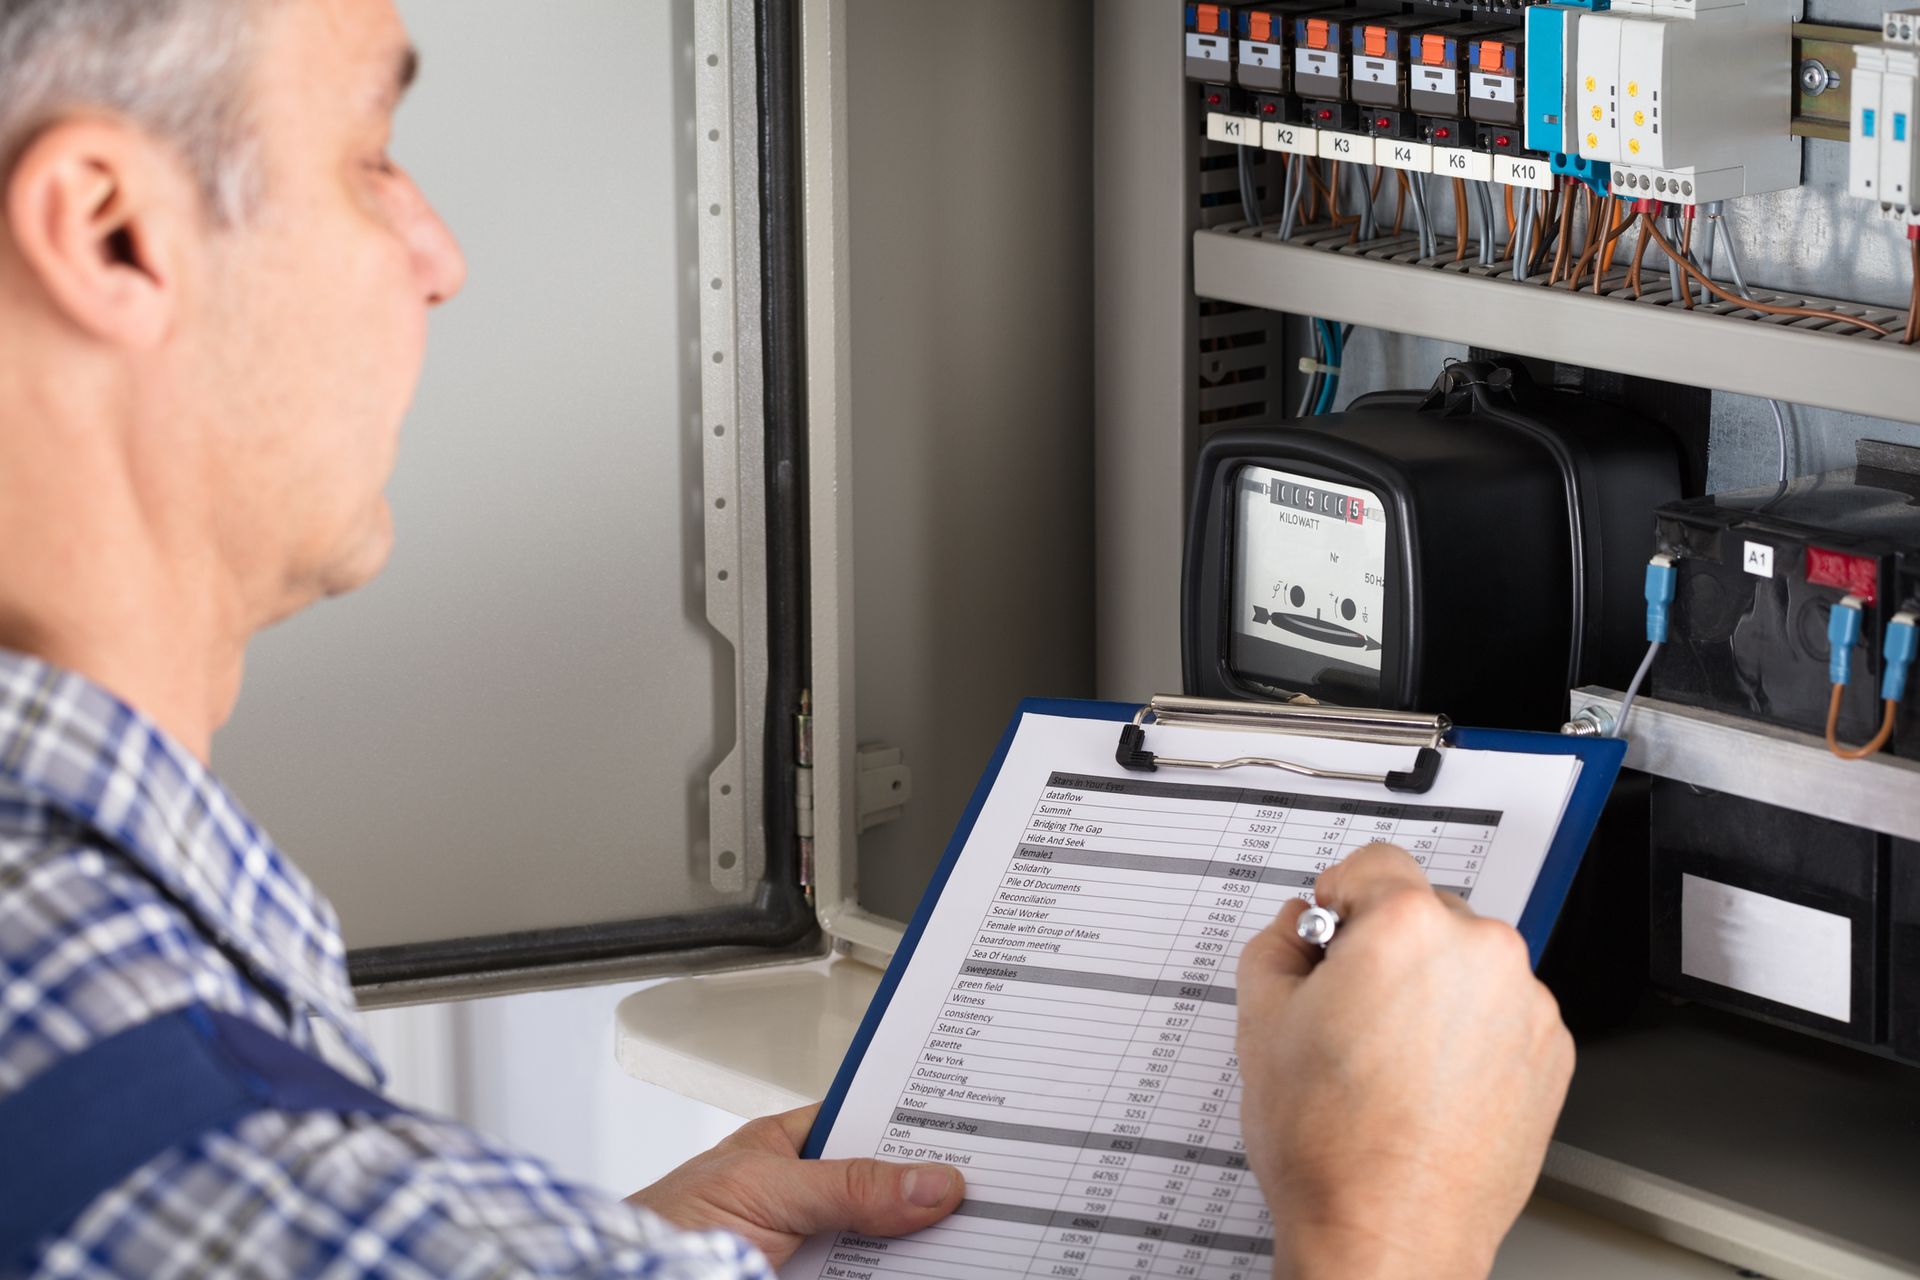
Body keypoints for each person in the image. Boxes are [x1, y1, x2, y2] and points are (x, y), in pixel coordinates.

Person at [0, 1, 1574, 1276]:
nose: (438, 255)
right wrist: (1384, 1227)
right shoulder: (220, 1171)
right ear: (111, 231)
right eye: (369, 159)